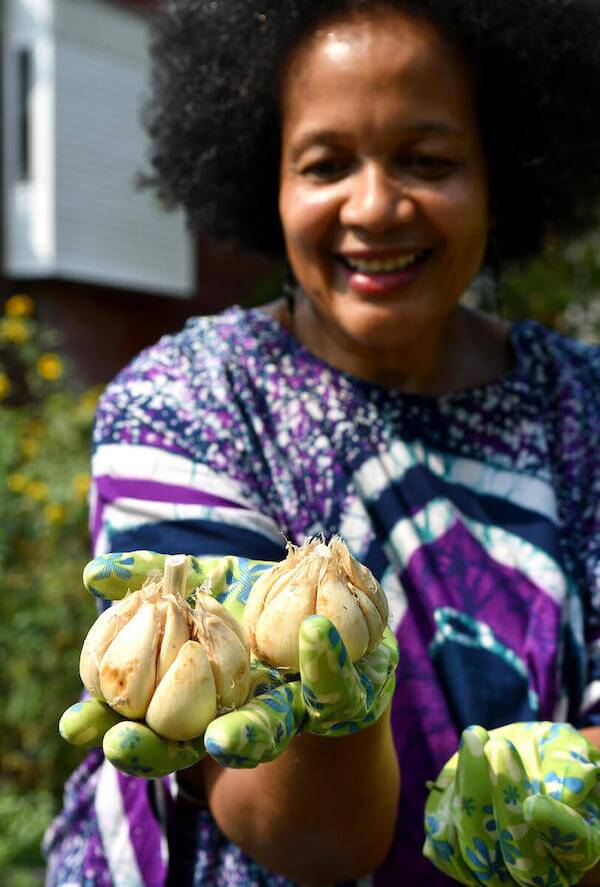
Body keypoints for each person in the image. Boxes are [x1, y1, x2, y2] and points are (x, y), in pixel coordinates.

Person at [43, 0, 600, 884]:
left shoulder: (585, 408)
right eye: (326, 163)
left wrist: (577, 800)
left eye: (428, 159)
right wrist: (340, 709)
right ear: (268, 178)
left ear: (503, 171)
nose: (374, 206)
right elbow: (315, 847)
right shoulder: (187, 400)